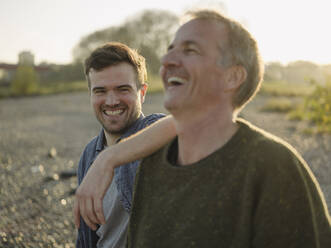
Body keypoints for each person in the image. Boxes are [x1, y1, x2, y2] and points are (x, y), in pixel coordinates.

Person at [74, 10, 331, 247]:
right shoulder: (154, 164)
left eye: (191, 50)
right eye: (171, 49)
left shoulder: (274, 165)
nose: (167, 60)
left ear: (233, 77)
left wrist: (110, 157)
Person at [73, 42, 166, 248]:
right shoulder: (89, 154)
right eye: (100, 91)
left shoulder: (158, 135)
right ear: (90, 95)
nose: (112, 101)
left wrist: (109, 158)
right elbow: (86, 237)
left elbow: (185, 122)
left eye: (122, 89)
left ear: (142, 93)